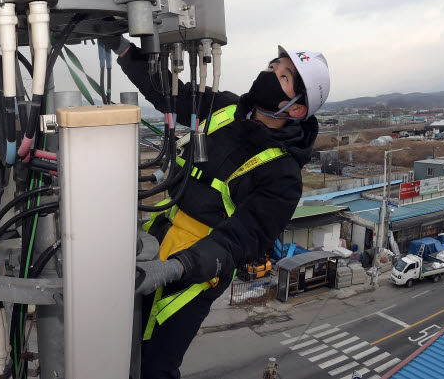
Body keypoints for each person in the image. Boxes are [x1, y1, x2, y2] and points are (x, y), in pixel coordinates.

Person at [102, 37, 329, 378]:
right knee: (116, 341)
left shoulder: (283, 175)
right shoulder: (225, 106)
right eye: (273, 66)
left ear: (296, 108)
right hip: (160, 231)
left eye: (282, 77)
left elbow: (242, 237)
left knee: (154, 365)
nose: (269, 74)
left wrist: (181, 266)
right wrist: (123, 50)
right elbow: (169, 91)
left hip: (199, 268)